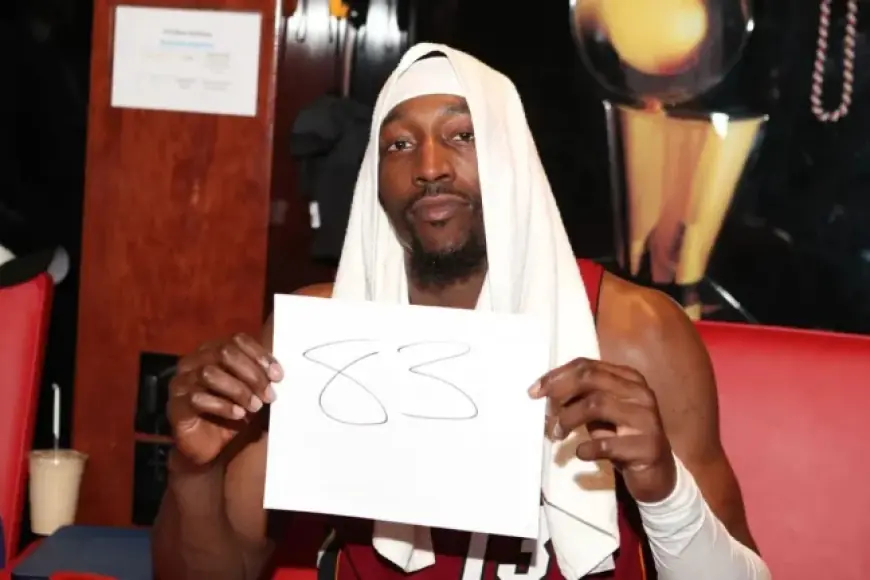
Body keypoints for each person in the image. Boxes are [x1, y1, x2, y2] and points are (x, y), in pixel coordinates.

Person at [152, 44, 770, 580]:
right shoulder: (320, 336)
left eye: (462, 135)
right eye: (399, 144)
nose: (429, 167)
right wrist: (192, 471)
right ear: (375, 180)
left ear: (512, 159)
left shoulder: (633, 333)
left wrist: (663, 489)